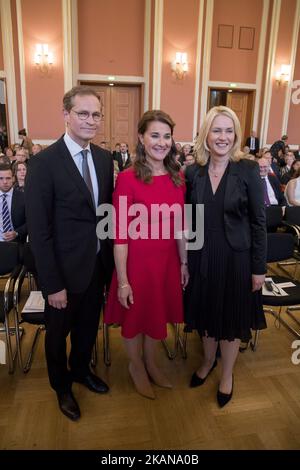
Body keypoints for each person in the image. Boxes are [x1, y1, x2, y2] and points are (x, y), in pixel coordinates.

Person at [25, 85, 114, 421]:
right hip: (61, 273)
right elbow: (40, 232)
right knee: (57, 334)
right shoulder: (43, 163)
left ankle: (81, 371)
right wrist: (52, 285)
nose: (91, 121)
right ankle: (61, 386)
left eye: (96, 115)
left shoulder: (104, 159)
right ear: (66, 115)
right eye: (83, 114)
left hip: (96, 267)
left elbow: (104, 215)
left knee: (89, 328)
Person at [184, 106, 267, 407]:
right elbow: (188, 219)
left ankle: (227, 374)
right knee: (206, 314)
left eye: (229, 130)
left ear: (236, 135)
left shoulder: (247, 169)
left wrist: (259, 268)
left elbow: (259, 222)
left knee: (230, 318)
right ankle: (207, 362)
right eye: (216, 130)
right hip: (202, 257)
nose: (223, 137)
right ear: (206, 134)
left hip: (237, 260)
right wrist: (185, 262)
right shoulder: (193, 171)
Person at [105, 110, 189, 399]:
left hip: (167, 263)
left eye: (167, 136)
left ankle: (152, 363)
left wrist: (184, 261)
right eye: (155, 135)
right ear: (141, 138)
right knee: (134, 319)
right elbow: (120, 235)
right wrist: (124, 280)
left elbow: (180, 224)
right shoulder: (127, 179)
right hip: (136, 264)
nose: (161, 142)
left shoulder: (178, 176)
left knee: (157, 314)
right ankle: (136, 366)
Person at [0, 163, 27, 242]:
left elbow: (31, 221)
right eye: (1, 178)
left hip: (17, 244)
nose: (5, 182)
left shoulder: (23, 197)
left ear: (13, 178)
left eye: (8, 178)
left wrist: (17, 232)